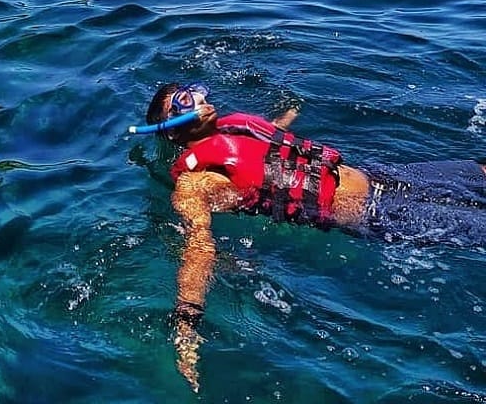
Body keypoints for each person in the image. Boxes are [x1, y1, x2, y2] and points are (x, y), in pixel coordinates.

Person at [139, 82, 486, 393]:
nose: (199, 98)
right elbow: (199, 246)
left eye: (194, 90)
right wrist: (187, 322)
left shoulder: (234, 130)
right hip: (379, 216)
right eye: (184, 101)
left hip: (383, 177)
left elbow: (271, 137)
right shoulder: (195, 183)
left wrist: (292, 105)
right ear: (172, 131)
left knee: (478, 169)